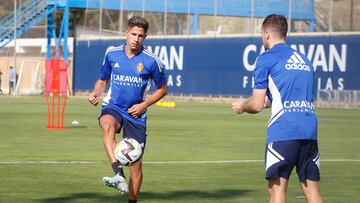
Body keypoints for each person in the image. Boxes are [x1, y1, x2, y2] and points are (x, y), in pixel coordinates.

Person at [232, 14, 323, 203]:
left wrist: (242, 106)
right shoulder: (305, 60)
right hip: (309, 130)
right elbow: (290, 95)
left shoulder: (266, 59)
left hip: (283, 130)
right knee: (312, 190)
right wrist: (269, 101)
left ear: (266, 34)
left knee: (277, 190)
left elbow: (256, 105)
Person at [88, 16, 167, 203]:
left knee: (136, 166)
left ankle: (132, 201)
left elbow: (163, 89)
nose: (136, 39)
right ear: (126, 33)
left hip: (136, 114)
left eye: (140, 35)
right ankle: (118, 174)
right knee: (107, 126)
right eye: (133, 34)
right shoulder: (112, 54)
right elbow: (103, 80)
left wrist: (144, 104)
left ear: (145, 37)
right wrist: (95, 93)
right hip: (113, 106)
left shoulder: (152, 61)